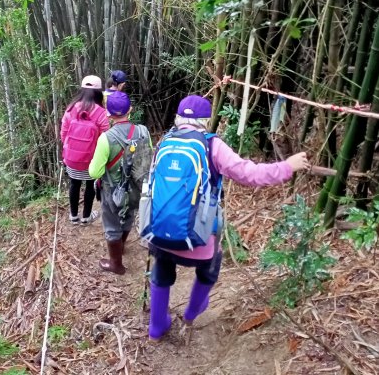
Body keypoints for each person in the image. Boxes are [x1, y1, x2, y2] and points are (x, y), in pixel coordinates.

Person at [146, 94, 310, 342]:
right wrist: (287, 166)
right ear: (206, 120)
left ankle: (156, 327)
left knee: (162, 269)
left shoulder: (165, 142)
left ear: (178, 118)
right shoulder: (213, 146)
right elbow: (249, 173)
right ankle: (192, 313)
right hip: (197, 241)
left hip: (158, 234)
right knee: (211, 265)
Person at [89, 91, 152, 275]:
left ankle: (116, 264)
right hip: (136, 186)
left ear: (108, 114)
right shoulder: (143, 131)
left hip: (112, 190)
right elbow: (147, 156)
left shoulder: (106, 139)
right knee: (128, 217)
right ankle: (121, 246)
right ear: (130, 110)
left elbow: (95, 172)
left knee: (111, 225)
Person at [61, 75, 109, 225]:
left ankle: (73, 216)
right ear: (99, 92)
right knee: (90, 185)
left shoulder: (71, 109)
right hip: (91, 159)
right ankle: (86, 217)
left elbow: (63, 133)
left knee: (74, 184)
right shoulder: (101, 112)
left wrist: (70, 150)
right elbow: (105, 137)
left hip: (72, 158)